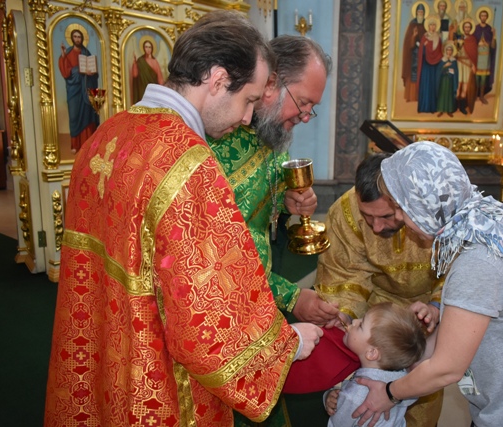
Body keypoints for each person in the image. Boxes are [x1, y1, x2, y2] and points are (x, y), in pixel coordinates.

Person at [44, 11, 324, 427]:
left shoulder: (105, 136)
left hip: (106, 352)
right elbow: (205, 321)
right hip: (157, 376)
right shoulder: (189, 164)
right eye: (249, 100)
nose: (248, 118)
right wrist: (287, 345)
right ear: (217, 80)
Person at [352, 141, 503, 427]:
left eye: (402, 208)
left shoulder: (478, 261)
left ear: (426, 203)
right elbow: (459, 335)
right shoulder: (489, 221)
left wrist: (389, 393)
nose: (401, 219)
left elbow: (447, 369)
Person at [208, 35, 337, 326]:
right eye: (303, 102)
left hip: (260, 294)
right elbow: (218, 246)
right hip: (219, 299)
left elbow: (264, 212)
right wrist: (290, 297)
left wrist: (289, 203)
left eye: (312, 107)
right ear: (271, 84)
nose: (306, 117)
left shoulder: (273, 133)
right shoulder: (217, 136)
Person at [315, 153, 444, 427]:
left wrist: (436, 306)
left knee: (422, 396)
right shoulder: (345, 212)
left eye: (386, 216)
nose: (376, 227)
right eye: (367, 216)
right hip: (373, 313)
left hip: (427, 316)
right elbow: (345, 274)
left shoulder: (431, 209)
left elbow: (457, 269)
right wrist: (345, 316)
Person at [323, 303, 428, 427]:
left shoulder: (354, 396)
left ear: (372, 353)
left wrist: (328, 398)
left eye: (361, 326)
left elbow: (336, 424)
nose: (355, 321)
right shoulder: (404, 379)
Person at [58, 27, 100, 154]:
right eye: (75, 37)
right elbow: (66, 73)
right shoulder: (68, 54)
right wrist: (78, 69)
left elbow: (95, 74)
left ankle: (89, 143)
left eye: (79, 37)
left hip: (86, 90)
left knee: (88, 115)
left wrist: (92, 73)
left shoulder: (87, 53)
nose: (77, 39)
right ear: (72, 38)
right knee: (74, 115)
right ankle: (76, 145)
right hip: (74, 91)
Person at [401, 3, 427, 103]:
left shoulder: (426, 24)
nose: (420, 13)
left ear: (424, 13)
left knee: (421, 74)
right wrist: (413, 37)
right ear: (416, 13)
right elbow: (407, 41)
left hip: (423, 53)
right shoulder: (412, 24)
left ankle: (419, 96)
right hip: (413, 54)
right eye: (419, 12)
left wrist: (423, 44)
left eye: (422, 12)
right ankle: (410, 96)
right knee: (412, 74)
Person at [417, 17, 442, 114]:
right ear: (428, 26)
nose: (433, 27)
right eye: (431, 25)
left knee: (434, 85)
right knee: (426, 84)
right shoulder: (425, 37)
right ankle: (425, 106)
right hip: (426, 65)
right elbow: (421, 52)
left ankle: (433, 107)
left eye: (434, 25)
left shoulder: (438, 37)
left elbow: (440, 51)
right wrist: (424, 46)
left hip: (436, 65)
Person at [473, 9, 496, 104]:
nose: (483, 17)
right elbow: (472, 42)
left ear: (487, 17)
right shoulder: (476, 29)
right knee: (476, 78)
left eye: (485, 16)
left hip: (485, 58)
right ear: (479, 17)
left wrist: (493, 35)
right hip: (477, 57)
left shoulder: (489, 29)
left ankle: (482, 96)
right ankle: (475, 95)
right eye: (482, 15)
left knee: (483, 78)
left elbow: (493, 46)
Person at [131, 39, 165, 105]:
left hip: (154, 92)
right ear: (144, 48)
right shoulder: (140, 61)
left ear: (152, 48)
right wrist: (135, 63)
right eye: (146, 47)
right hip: (142, 92)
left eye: (149, 47)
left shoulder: (155, 61)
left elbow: (160, 79)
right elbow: (135, 75)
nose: (148, 49)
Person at [454, 19, 477, 115]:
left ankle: (462, 107)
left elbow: (474, 54)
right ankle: (455, 106)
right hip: (459, 64)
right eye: (465, 27)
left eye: (468, 27)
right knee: (458, 86)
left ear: (471, 28)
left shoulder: (473, 39)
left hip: (468, 65)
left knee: (465, 86)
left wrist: (474, 65)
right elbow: (455, 51)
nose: (467, 28)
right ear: (463, 28)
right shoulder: (459, 38)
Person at [435, 42, 458, 118]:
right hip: (443, 80)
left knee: (449, 95)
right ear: (445, 50)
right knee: (442, 94)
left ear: (452, 51)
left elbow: (456, 71)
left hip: (450, 80)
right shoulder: (442, 60)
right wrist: (445, 66)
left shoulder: (454, 60)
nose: (449, 51)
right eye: (447, 50)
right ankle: (441, 110)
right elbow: (438, 70)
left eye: (450, 50)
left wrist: (452, 71)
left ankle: (449, 110)